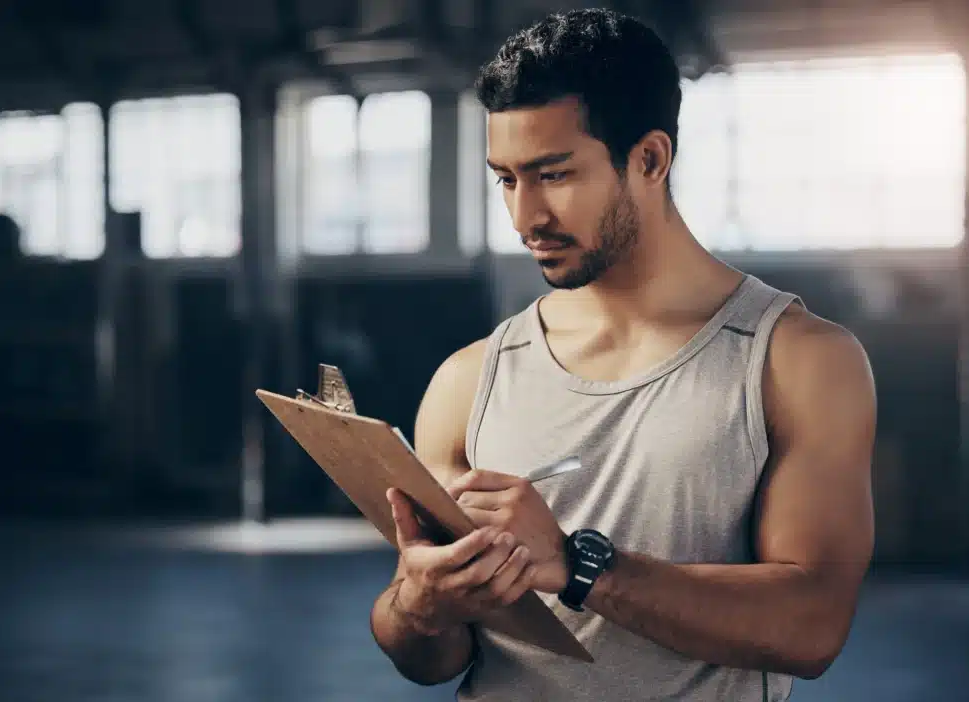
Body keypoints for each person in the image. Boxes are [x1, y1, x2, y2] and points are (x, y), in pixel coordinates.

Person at [370, 8, 876, 701]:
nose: (524, 217)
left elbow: (812, 627)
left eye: (554, 174)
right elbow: (430, 658)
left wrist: (579, 567)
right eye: (507, 179)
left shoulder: (798, 361)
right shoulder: (469, 381)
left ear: (650, 159)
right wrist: (421, 607)